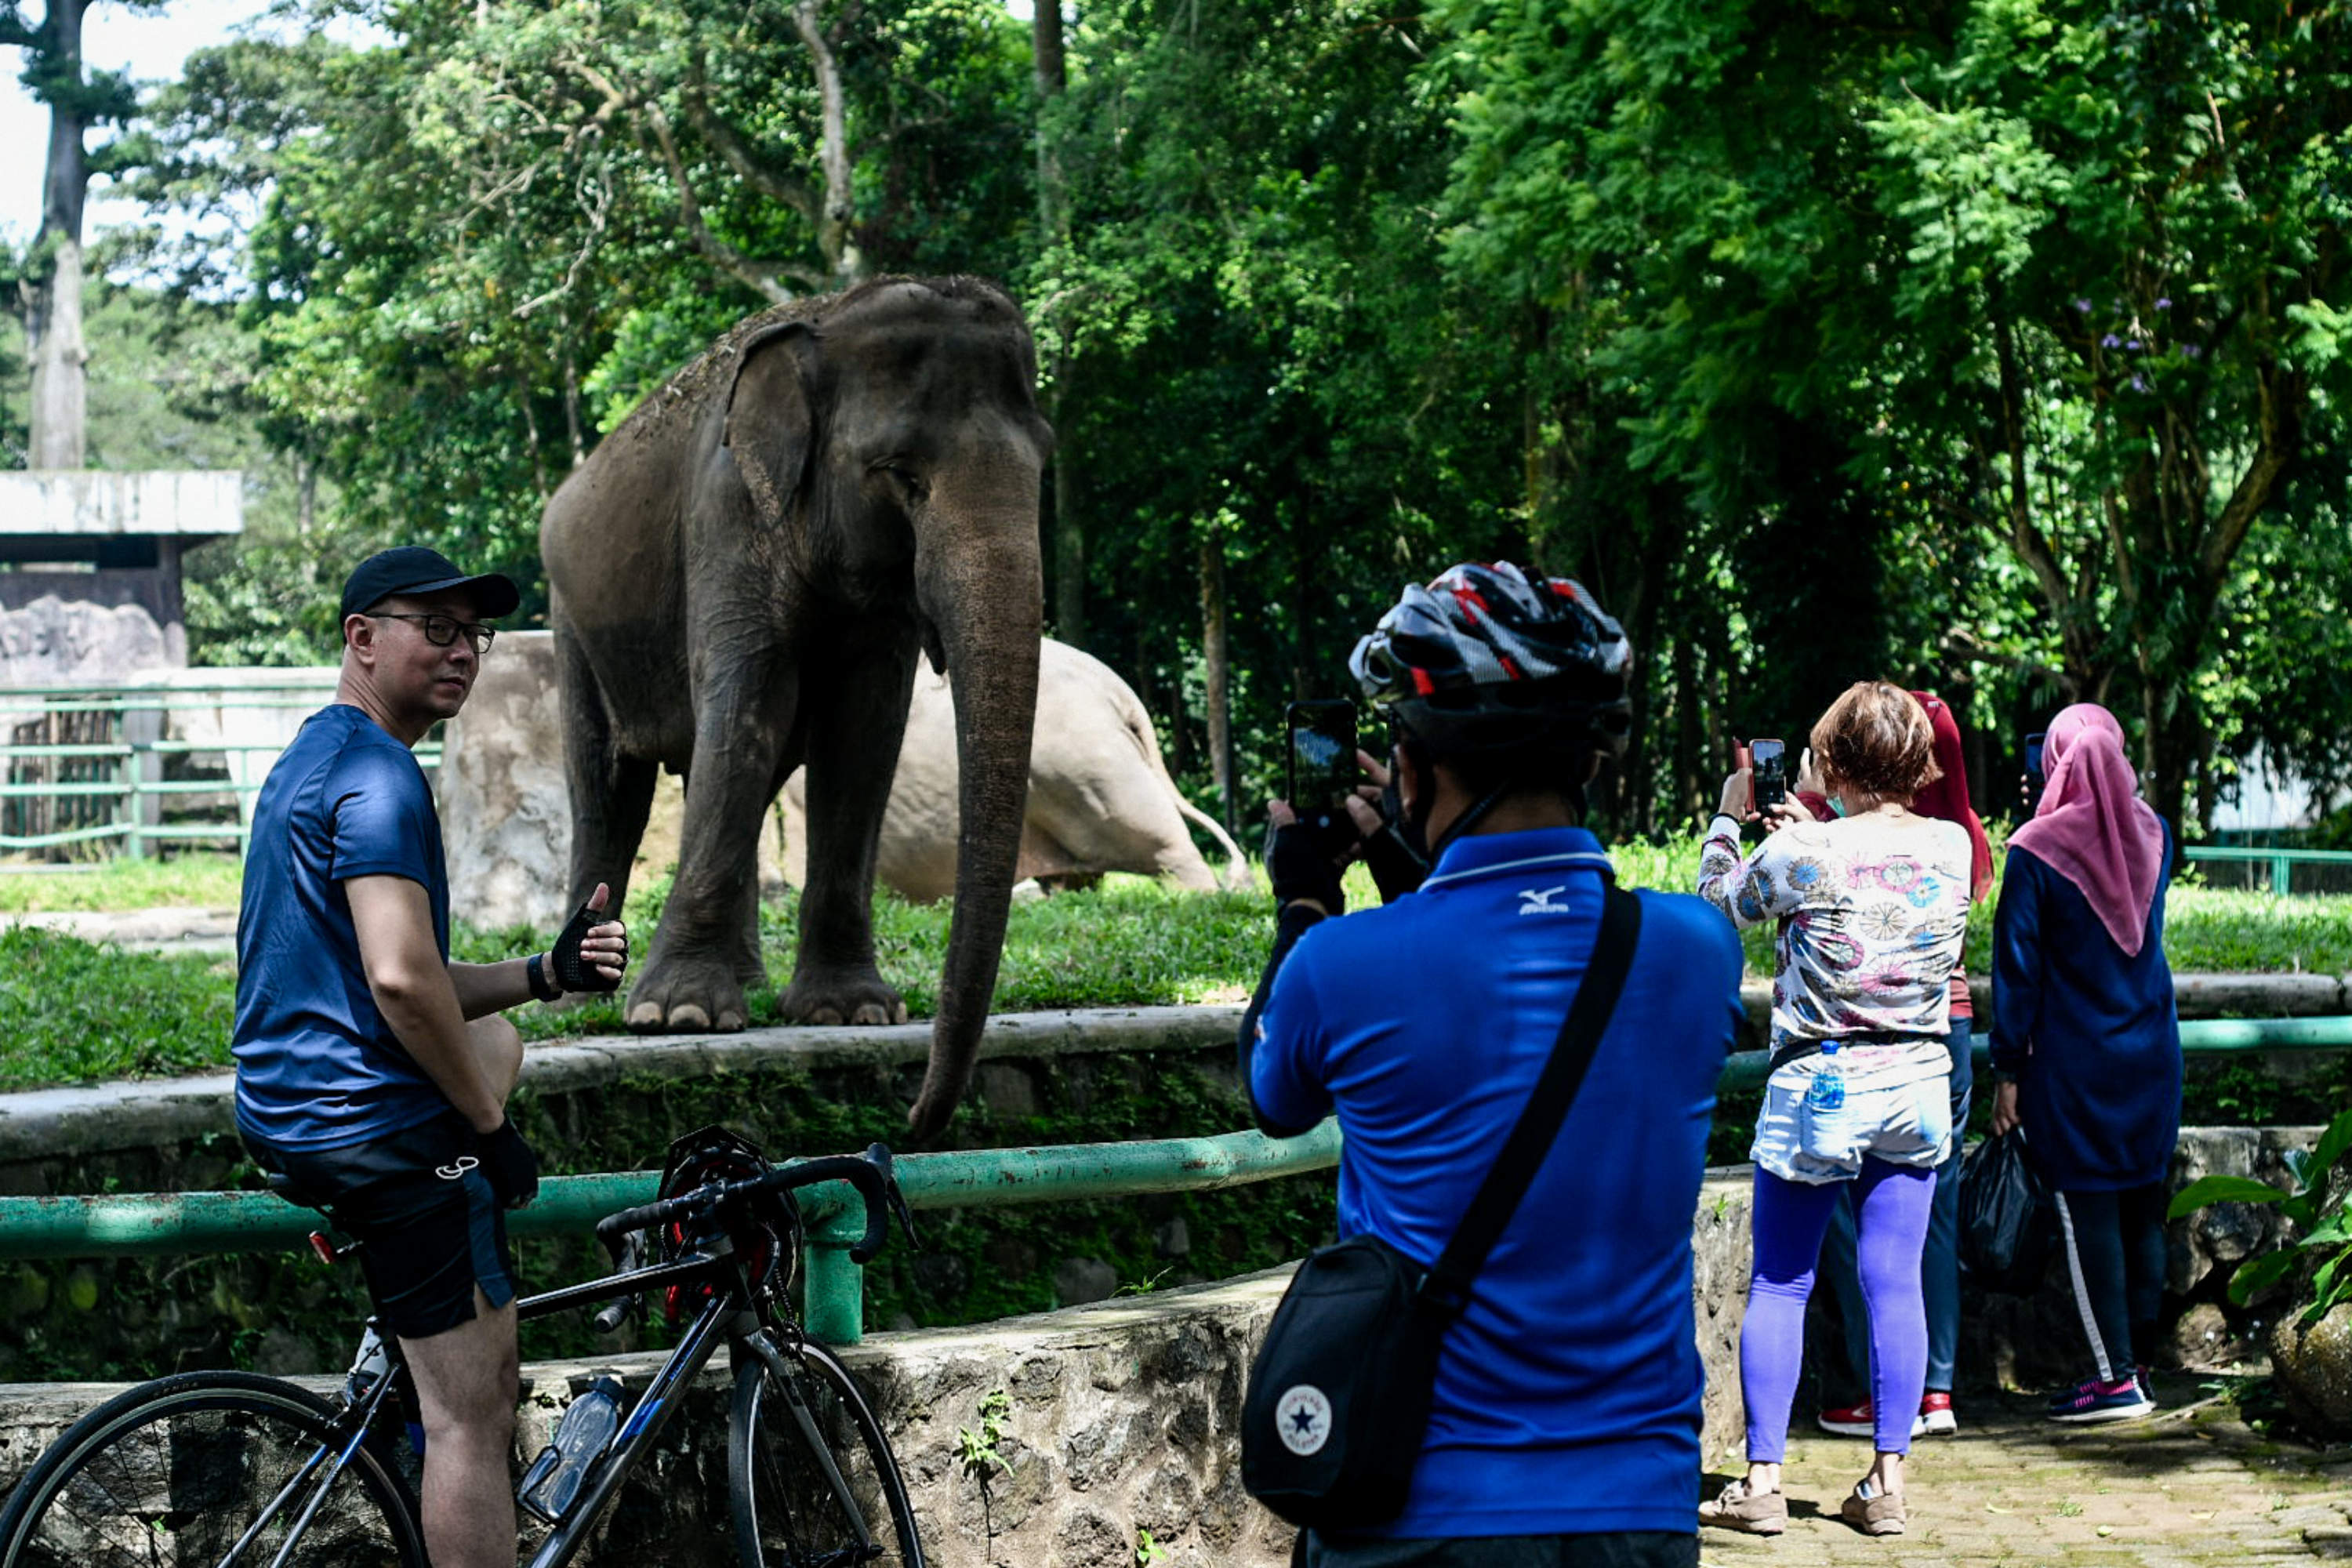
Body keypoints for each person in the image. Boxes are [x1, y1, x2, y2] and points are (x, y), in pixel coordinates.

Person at [1243, 562, 1745, 1568]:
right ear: (1591, 763)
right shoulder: (1697, 950)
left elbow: (1274, 1097)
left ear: (1416, 770)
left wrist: (1303, 901)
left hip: (1412, 1512)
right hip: (1637, 1511)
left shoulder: (1341, 964)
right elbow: (1528, 934)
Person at [234, 546, 629, 1568]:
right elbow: (405, 985)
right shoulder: (380, 780)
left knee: (498, 1035)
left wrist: (544, 973)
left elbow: (399, 975)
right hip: (375, 1130)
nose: (462, 652)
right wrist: (492, 1138)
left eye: (476, 635)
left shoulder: (313, 761)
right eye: (436, 629)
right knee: (473, 1417)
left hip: (289, 1108)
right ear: (362, 637)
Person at [1693, 681, 1970, 1539]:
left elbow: (1718, 907)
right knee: (1894, 1279)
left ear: (1833, 759)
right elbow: (1877, 878)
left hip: (1820, 1083)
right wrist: (1813, 828)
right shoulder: (1954, 842)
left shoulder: (1803, 850)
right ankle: (1886, 1482)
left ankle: (1764, 1481)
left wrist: (1727, 821)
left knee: (1781, 1278)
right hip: (1920, 1082)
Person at [1987, 702, 2179, 1423]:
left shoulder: (2035, 850)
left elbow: (2018, 972)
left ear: (2055, 760)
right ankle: (2141, 1366)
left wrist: (2007, 1072)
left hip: (2075, 1064)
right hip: (2153, 1054)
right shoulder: (2155, 832)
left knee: (2089, 1208)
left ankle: (2114, 1376)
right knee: (2143, 1210)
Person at [1813, 690, 1994, 1440]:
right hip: (1944, 1031)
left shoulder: (1835, 840)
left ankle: (1874, 1389)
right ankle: (1938, 1390)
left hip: (1859, 1039)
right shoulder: (1960, 840)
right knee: (1934, 1212)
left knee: (1854, 1217)